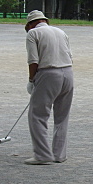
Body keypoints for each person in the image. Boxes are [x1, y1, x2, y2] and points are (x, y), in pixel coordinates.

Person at [24, 10, 74, 164]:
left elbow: (33, 61)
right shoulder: (61, 31)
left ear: (31, 24)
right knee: (62, 116)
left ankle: (42, 155)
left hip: (48, 73)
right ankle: (59, 155)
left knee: (37, 115)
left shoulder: (33, 34)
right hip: (68, 72)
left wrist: (32, 80)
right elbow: (69, 55)